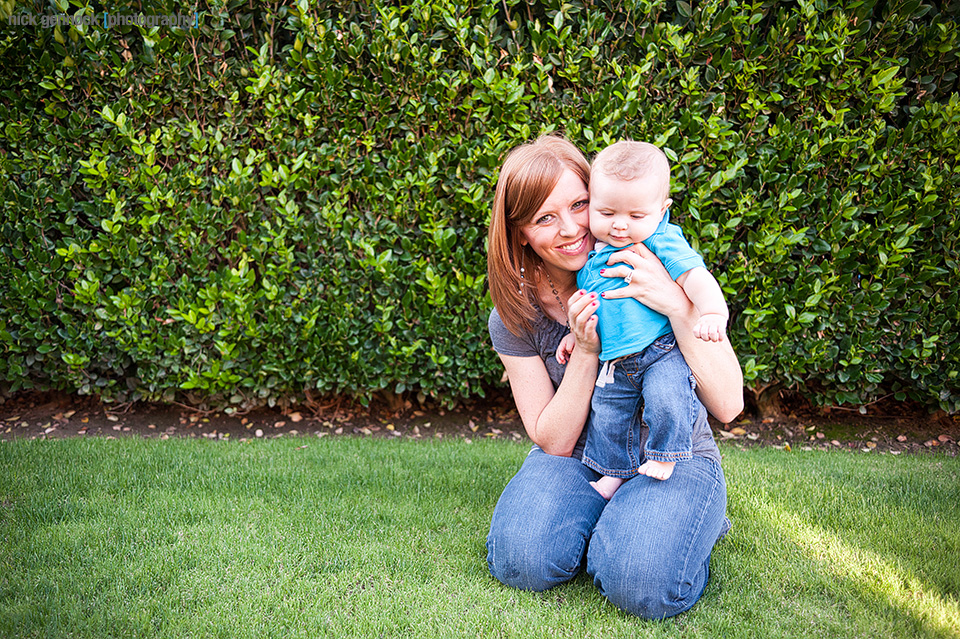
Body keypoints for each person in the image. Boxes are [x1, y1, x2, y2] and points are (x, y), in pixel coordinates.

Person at [485, 134, 743, 619]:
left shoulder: (652, 257)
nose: (571, 229)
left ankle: (675, 519)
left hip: (670, 452)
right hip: (584, 454)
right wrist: (585, 350)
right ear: (520, 233)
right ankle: (615, 514)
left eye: (579, 204)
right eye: (545, 218)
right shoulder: (514, 316)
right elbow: (554, 440)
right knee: (521, 560)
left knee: (639, 581)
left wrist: (672, 301)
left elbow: (729, 404)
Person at [554, 141, 729, 498]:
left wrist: (712, 310)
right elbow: (595, 305)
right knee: (608, 414)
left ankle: (665, 455)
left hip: (660, 349)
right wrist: (575, 335)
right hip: (616, 359)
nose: (620, 226)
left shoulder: (661, 240)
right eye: (606, 213)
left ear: (661, 210)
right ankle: (613, 472)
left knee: (667, 396)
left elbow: (695, 276)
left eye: (635, 216)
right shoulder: (595, 257)